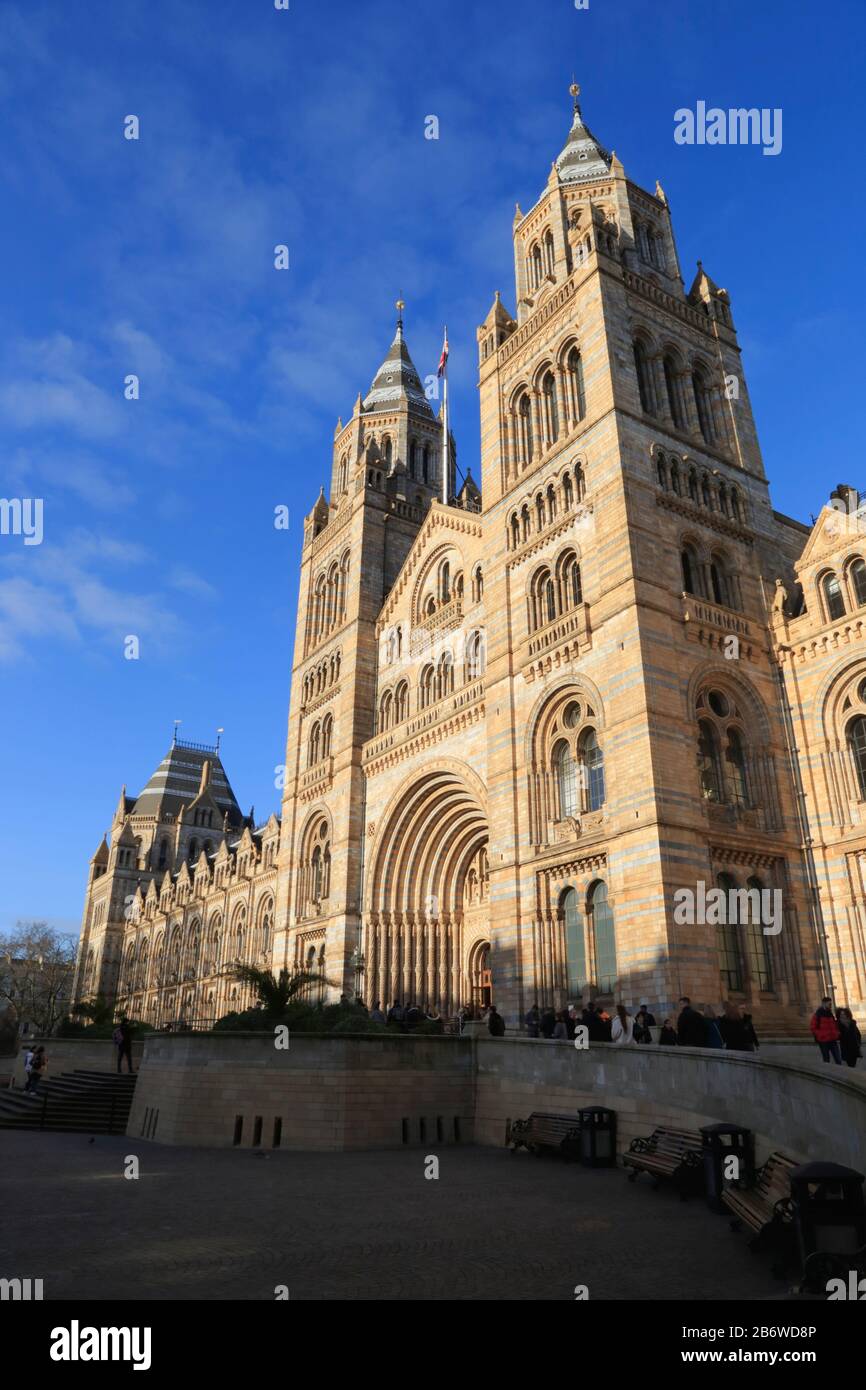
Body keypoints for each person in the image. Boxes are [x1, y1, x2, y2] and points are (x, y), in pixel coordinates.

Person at [810, 996, 842, 1064]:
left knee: (838, 1059)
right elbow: (813, 1027)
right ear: (824, 1003)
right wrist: (821, 1035)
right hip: (823, 1041)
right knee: (826, 1059)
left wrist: (837, 1033)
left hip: (832, 1040)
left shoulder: (830, 1014)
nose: (830, 1006)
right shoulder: (818, 1014)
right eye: (829, 1004)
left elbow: (834, 1025)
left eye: (831, 1004)